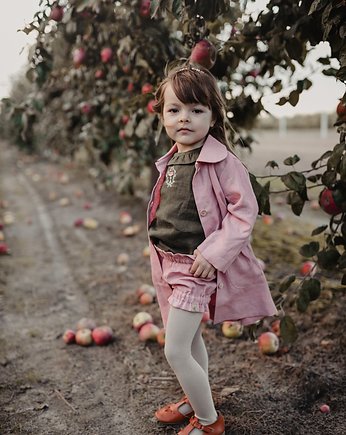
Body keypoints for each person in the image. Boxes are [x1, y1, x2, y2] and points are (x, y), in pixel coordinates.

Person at [147, 63, 277, 435]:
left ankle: (209, 421)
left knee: (174, 350)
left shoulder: (223, 162)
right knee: (190, 340)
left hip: (195, 267)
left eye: (196, 110)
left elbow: (244, 211)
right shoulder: (172, 159)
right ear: (163, 115)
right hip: (167, 263)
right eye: (174, 110)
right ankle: (194, 397)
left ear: (213, 114)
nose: (183, 118)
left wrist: (213, 254)